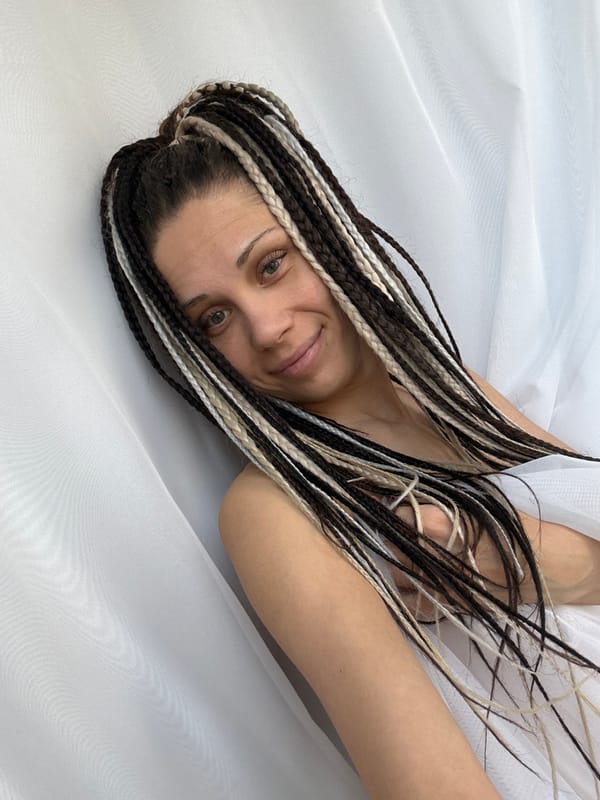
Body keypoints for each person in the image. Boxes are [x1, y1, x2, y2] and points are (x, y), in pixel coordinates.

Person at [101, 81, 600, 799]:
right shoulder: (274, 512)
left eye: (270, 265)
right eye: (214, 319)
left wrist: (525, 562)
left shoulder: (454, 394)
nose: (267, 326)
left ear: (322, 233)